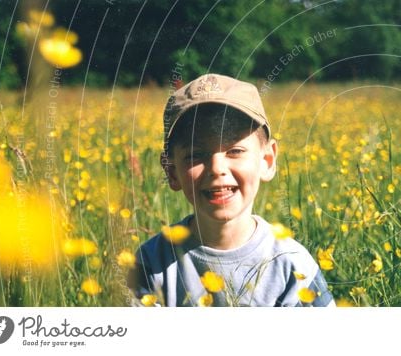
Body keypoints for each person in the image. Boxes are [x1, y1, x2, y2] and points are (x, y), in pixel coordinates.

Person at [129, 74, 333, 307]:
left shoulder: (294, 267)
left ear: (267, 160)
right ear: (172, 171)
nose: (217, 169)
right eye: (196, 155)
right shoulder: (151, 264)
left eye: (235, 151)